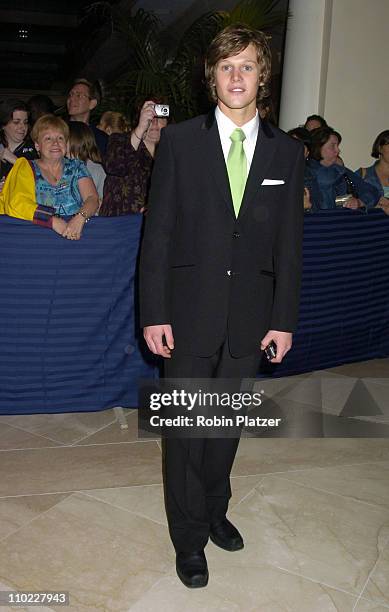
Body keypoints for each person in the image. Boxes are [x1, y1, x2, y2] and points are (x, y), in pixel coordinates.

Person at [139, 25, 304, 588]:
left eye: (249, 66)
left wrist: (283, 319)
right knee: (186, 428)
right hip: (185, 313)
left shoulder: (288, 151)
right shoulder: (180, 142)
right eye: (227, 66)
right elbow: (157, 235)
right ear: (212, 77)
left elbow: (288, 245)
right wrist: (153, 312)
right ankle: (188, 537)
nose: (237, 76)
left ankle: (214, 509)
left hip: (250, 318)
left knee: (225, 425)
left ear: (264, 76)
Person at [0, 114, 99, 240]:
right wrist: (51, 220)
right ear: (37, 145)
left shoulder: (77, 167)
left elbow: (92, 198)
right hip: (37, 239)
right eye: (48, 139)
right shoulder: (25, 168)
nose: (56, 143)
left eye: (60, 138)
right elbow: (18, 203)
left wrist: (80, 218)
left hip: (75, 234)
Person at [99, 100, 167, 216]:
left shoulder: (171, 153)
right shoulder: (120, 140)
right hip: (119, 221)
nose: (155, 122)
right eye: (150, 116)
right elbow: (115, 166)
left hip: (155, 225)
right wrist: (141, 128)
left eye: (160, 117)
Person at [307, 127, 380, 210]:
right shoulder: (304, 172)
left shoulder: (340, 170)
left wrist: (359, 202)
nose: (338, 150)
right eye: (332, 146)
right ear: (318, 147)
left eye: (337, 145)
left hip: (342, 220)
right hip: (314, 222)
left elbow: (372, 191)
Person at [66, 79, 108, 158]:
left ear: (92, 104)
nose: (71, 99)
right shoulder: (58, 129)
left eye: (79, 95)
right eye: (70, 95)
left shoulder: (99, 138)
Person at [67, 121, 106, 202]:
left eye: (62, 138)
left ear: (77, 141)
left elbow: (102, 201)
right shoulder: (61, 166)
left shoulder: (96, 170)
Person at [0, 99, 37, 180]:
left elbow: (39, 180)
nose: (22, 127)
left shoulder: (35, 150)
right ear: (3, 125)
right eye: (16, 122)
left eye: (25, 122)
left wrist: (16, 161)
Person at [356, 130, 389, 215]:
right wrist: (374, 205)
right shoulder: (363, 174)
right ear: (379, 148)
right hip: (371, 226)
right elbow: (342, 201)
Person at [288, 126, 320, 210]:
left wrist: (308, 206)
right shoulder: (272, 171)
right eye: (291, 145)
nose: (295, 150)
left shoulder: (311, 176)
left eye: (301, 147)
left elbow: (317, 206)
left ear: (307, 153)